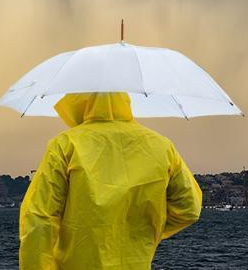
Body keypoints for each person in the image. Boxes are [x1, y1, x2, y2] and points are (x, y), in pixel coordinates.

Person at [19, 92, 202, 269]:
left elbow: (39, 217)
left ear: (80, 101)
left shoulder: (65, 144)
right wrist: (145, 231)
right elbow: (190, 208)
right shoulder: (162, 146)